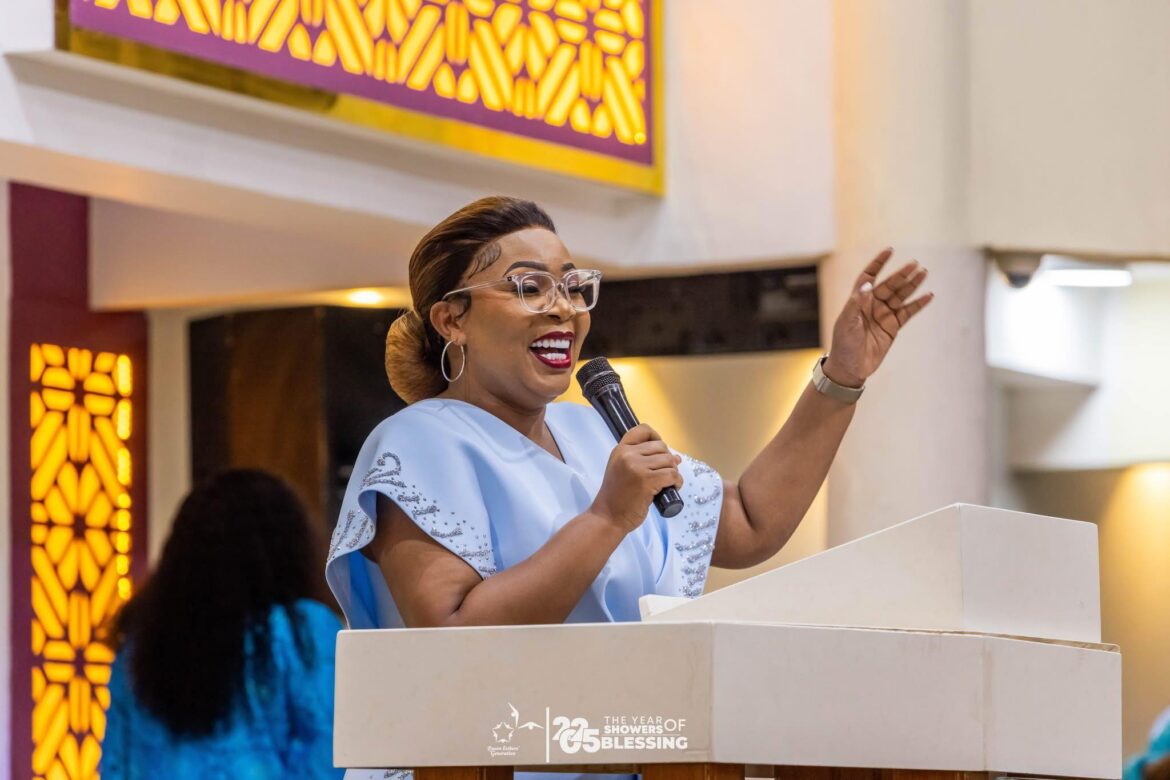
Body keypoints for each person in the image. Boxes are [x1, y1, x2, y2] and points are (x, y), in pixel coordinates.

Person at [326, 196, 932, 779]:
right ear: (452, 318)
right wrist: (606, 520)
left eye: (571, 286)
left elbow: (748, 520)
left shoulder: (592, 431)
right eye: (529, 286)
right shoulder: (418, 441)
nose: (562, 308)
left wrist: (842, 377)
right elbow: (454, 637)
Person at [102, 469, 344, 779]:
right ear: (289, 548)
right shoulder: (301, 633)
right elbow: (333, 755)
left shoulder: (142, 649)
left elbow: (116, 767)